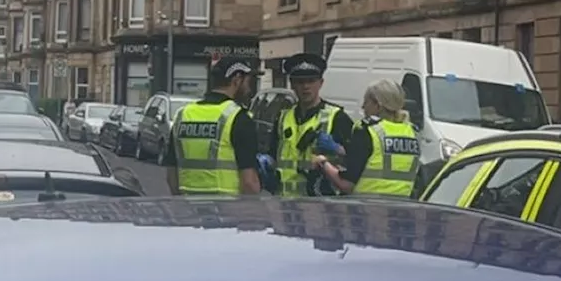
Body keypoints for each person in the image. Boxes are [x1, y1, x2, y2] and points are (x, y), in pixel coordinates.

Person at [160, 57, 264, 195]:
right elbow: (249, 182)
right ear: (237, 79)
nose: (249, 88)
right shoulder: (239, 118)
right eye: (248, 82)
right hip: (227, 209)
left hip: (188, 208)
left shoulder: (183, 115)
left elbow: (171, 175)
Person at [265, 52, 355, 197]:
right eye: (300, 82)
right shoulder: (283, 117)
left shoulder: (337, 117)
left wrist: (338, 150)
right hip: (285, 202)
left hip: (321, 202)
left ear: (321, 83)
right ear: (292, 84)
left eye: (311, 81)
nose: (306, 87)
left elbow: (356, 159)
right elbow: (273, 155)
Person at [313, 79, 420, 197]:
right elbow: (378, 159)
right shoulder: (411, 133)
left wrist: (323, 163)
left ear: (378, 106)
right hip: (400, 209)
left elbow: (346, 185)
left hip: (366, 208)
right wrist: (340, 151)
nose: (363, 106)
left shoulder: (367, 131)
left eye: (366, 101)